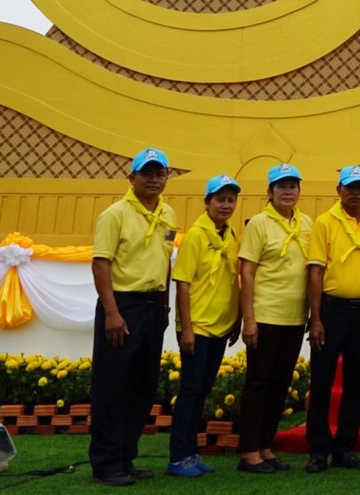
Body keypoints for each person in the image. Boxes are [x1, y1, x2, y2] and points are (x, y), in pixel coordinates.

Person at [89, 147, 178, 487]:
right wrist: (111, 312)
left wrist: (166, 305)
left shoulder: (168, 213)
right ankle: (106, 463)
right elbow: (101, 263)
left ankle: (126, 456)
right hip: (122, 305)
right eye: (148, 173)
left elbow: (166, 259)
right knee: (112, 385)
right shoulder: (114, 214)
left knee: (142, 385)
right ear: (132, 178)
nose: (155, 179)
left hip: (154, 305)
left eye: (161, 173)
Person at [304, 164, 360, 472]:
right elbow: (316, 271)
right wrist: (316, 317)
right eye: (350, 187)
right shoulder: (325, 222)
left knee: (356, 381)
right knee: (322, 380)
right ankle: (318, 448)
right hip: (331, 308)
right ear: (338, 190)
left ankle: (345, 446)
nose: (355, 192)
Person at [235, 162, 311, 473]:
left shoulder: (306, 222)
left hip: (294, 318)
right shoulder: (259, 224)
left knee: (280, 384)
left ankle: (266, 446)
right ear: (270, 192)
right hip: (265, 316)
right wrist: (248, 319)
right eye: (282, 186)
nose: (288, 191)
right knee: (258, 383)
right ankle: (249, 451)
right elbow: (247, 271)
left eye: (293, 186)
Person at [166, 173, 242, 478]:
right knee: (191, 390)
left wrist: (236, 318)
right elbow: (182, 283)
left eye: (230, 200)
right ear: (207, 202)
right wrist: (186, 327)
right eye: (220, 199)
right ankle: (177, 457)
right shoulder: (197, 235)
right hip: (196, 326)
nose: (225, 205)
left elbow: (231, 281)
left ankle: (191, 453)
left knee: (202, 390)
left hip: (220, 325)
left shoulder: (231, 234)